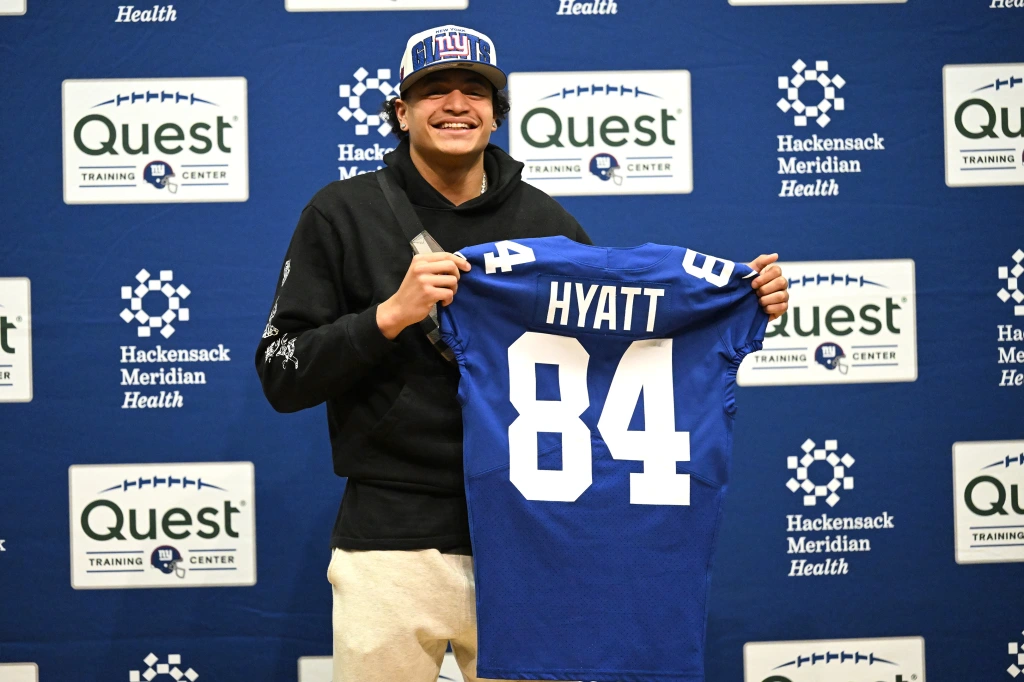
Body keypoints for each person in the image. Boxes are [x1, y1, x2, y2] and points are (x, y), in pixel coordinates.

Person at [255, 24, 789, 682]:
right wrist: (389, 316)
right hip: (391, 540)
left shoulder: (550, 227)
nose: (455, 104)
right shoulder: (340, 213)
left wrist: (738, 304)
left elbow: (623, 355)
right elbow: (281, 374)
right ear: (401, 111)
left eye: (474, 90)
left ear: (498, 111)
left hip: (530, 540)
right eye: (433, 90)